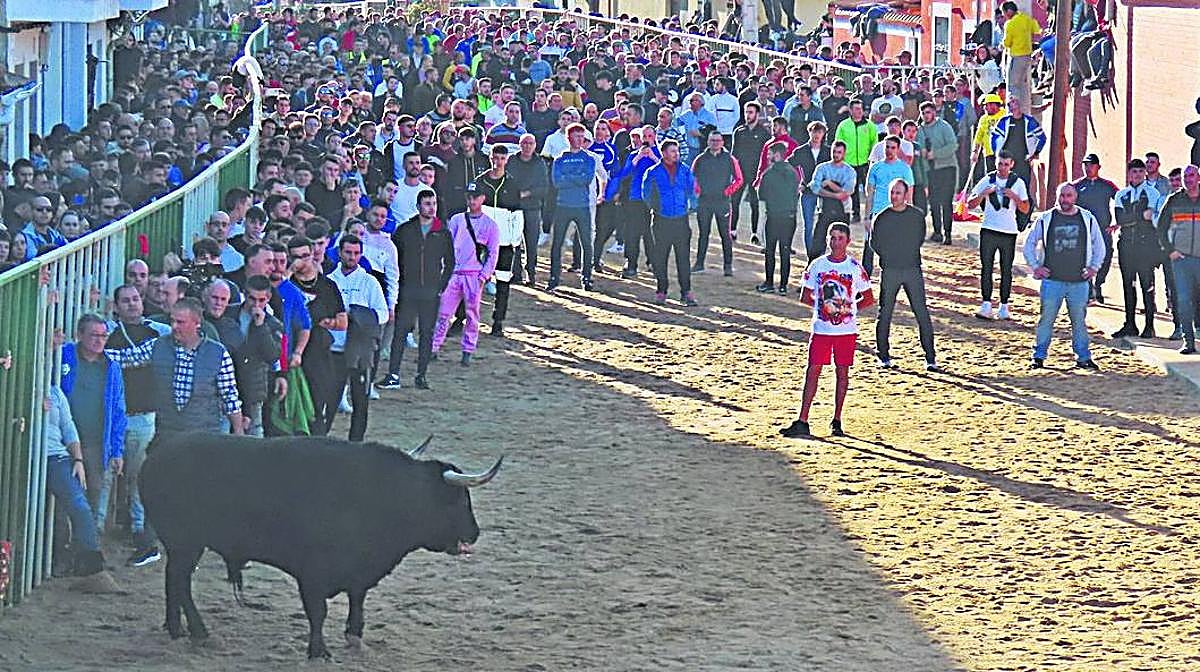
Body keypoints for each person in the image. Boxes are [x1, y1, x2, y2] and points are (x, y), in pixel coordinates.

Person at [780, 223, 874, 439]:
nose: (835, 242)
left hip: (845, 331)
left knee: (841, 373)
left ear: (848, 241)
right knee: (813, 371)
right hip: (822, 329)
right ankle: (803, 419)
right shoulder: (817, 265)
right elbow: (805, 295)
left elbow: (868, 298)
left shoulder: (854, 267)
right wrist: (829, 308)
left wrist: (846, 310)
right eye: (832, 237)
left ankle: (837, 419)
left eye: (840, 238)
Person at [105, 297, 245, 436]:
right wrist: (94, 350)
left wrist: (239, 433)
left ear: (197, 323)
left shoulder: (218, 353)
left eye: (180, 322)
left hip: (204, 435)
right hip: (166, 433)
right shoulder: (158, 345)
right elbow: (127, 357)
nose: (174, 326)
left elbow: (230, 397)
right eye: (172, 321)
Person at [1024, 183, 1106, 370]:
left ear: (1075, 197)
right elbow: (1029, 243)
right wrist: (1036, 267)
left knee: (1079, 321)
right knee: (1046, 319)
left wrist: (1094, 267)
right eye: (1062, 196)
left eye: (1068, 196)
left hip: (1079, 281)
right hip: (1052, 280)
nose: (1065, 200)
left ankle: (1083, 357)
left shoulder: (1087, 218)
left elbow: (1099, 246)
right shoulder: (1046, 218)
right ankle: (1038, 356)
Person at [380, 189, 454, 390]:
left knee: (426, 333)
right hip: (408, 290)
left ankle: (421, 375)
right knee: (401, 333)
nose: (431, 207)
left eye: (434, 203)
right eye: (427, 203)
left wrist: (441, 285)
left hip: (430, 291)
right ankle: (394, 374)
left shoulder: (442, 232)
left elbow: (450, 262)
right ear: (418, 206)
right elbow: (395, 260)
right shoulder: (405, 230)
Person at [60, 315, 126, 531]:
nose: (99, 341)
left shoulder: (111, 367)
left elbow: (118, 411)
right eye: (94, 335)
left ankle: (88, 547)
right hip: (63, 441)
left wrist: (117, 450)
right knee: (62, 499)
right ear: (80, 335)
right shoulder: (63, 356)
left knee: (94, 496)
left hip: (95, 444)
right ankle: (60, 547)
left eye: (103, 336)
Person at [43, 385, 111, 582]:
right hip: (24, 455)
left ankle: (90, 561)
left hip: (55, 457)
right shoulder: (14, 385)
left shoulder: (55, 392)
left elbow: (68, 427)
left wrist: (78, 460)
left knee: (79, 505)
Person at [870, 180, 937, 370]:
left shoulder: (916, 216)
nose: (894, 196)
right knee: (885, 313)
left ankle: (930, 357)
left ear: (906, 194)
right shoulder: (882, 217)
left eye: (898, 193)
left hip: (912, 269)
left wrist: (906, 254)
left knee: (921, 312)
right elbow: (875, 242)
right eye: (892, 192)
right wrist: (888, 256)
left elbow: (919, 238)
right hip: (890, 270)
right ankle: (883, 355)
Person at [328, 234, 388, 441]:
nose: (352, 257)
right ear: (340, 253)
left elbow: (383, 313)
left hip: (360, 349)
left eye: (356, 253)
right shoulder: (329, 280)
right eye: (348, 252)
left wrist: (360, 316)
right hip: (333, 348)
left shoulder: (369, 282)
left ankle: (356, 443)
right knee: (329, 397)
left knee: (360, 400)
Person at [432, 184, 500, 365]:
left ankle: (467, 350)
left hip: (473, 275)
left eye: (475, 197)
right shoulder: (457, 220)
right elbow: (446, 245)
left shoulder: (490, 225)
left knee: (472, 315)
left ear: (482, 198)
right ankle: (434, 347)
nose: (471, 201)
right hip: (454, 273)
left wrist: (484, 276)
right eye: (469, 197)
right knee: (443, 314)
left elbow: (493, 254)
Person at [966, 151, 1031, 320]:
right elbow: (970, 204)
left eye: (1006, 164)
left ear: (1012, 165)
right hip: (988, 228)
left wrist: (1015, 197)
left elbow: (1025, 208)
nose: (1002, 168)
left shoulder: (1018, 183)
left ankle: (1004, 306)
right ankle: (986, 303)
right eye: (1000, 164)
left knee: (1006, 269)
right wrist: (983, 194)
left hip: (1008, 231)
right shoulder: (987, 179)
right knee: (986, 267)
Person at [548, 123, 606, 292]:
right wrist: (576, 176)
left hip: (582, 206)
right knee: (557, 243)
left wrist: (569, 176)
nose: (580, 140)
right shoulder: (560, 159)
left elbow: (587, 179)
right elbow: (557, 182)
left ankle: (587, 277)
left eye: (582, 137)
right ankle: (554, 277)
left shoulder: (589, 158)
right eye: (577, 136)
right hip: (563, 205)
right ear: (569, 138)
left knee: (586, 243)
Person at [1111, 159, 1164, 338]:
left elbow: (1153, 218)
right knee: (1128, 285)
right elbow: (1120, 219)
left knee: (1147, 285)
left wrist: (1133, 218)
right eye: (1134, 172)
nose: (1138, 175)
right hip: (1126, 245)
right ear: (1129, 174)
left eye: (1141, 172)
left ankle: (1149, 325)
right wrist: (1141, 215)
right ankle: (1130, 323)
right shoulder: (1121, 195)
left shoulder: (1152, 192)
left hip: (1145, 245)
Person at [643, 140, 698, 307]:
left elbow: (692, 189)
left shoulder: (685, 170)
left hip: (681, 219)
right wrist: (656, 207)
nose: (676, 154)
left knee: (683, 258)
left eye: (677, 151)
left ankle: (686, 292)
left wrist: (690, 206)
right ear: (664, 153)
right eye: (673, 151)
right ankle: (661, 291)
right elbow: (646, 194)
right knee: (661, 257)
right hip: (661, 220)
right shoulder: (653, 172)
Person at [476, 145, 524, 336]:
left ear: (506, 160)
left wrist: (514, 241)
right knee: (473, 281)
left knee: (503, 282)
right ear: (490, 158)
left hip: (504, 243)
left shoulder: (512, 184)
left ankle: (498, 322)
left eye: (502, 159)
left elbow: (517, 215)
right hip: (481, 242)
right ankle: (465, 318)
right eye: (495, 158)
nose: (498, 162)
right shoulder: (480, 182)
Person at [1157, 164, 1200, 354]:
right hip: (1181, 260)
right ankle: (1188, 342)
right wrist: (1170, 251)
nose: (1188, 179)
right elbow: (1161, 228)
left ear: (1198, 177)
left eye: (1191, 175)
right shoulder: (1174, 200)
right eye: (1185, 176)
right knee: (1183, 301)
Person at [691, 130, 743, 276]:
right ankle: (699, 264)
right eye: (712, 140)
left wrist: (727, 192)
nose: (715, 143)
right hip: (705, 202)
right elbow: (692, 177)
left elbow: (739, 179)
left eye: (717, 140)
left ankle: (728, 266)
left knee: (725, 235)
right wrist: (698, 190)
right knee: (703, 234)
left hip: (722, 202)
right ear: (708, 142)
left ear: (722, 142)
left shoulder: (730, 159)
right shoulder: (700, 159)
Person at [989, 97, 1045, 230]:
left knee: (1023, 190)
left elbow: (1042, 138)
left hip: (1022, 162)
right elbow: (994, 137)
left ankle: (1023, 220)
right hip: (1006, 163)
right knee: (1004, 189)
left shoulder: (1029, 122)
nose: (1012, 106)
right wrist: (997, 154)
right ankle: (1005, 219)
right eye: (1010, 103)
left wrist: (1035, 153)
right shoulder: (1004, 121)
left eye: (1015, 103)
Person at [863, 135, 915, 277]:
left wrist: (909, 217)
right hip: (878, 212)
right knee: (869, 248)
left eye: (893, 147)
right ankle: (864, 280)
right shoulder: (875, 167)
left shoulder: (905, 169)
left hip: (897, 213)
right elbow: (869, 194)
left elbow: (909, 195)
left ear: (898, 149)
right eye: (887, 147)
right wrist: (867, 217)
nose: (889, 150)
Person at [1073, 154, 1120, 303]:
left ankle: (1099, 284)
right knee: (1084, 259)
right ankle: (1089, 287)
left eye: (1091, 165)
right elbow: (1065, 204)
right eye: (1086, 165)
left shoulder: (1107, 185)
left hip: (1103, 229)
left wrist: (1118, 222)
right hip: (1083, 230)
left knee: (1105, 258)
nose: (1088, 168)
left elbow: (1122, 200)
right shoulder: (1077, 186)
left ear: (1098, 167)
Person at [755, 143, 801, 294]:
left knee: (770, 250)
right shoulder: (792, 172)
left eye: (770, 154)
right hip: (789, 216)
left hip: (774, 216)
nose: (768, 157)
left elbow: (762, 195)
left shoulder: (768, 174)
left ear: (776, 155)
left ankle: (769, 283)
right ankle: (783, 285)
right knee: (785, 251)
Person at [509, 134, 549, 286]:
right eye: (524, 143)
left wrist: (526, 193)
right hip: (514, 207)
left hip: (532, 208)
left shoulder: (540, 163)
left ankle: (531, 274)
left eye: (530, 143)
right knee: (514, 243)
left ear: (535, 145)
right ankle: (516, 273)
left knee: (531, 244)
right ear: (520, 144)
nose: (527, 146)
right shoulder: (511, 161)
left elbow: (544, 188)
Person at [916, 102, 959, 243]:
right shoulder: (920, 130)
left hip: (947, 168)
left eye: (928, 112)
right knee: (933, 203)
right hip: (931, 170)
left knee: (946, 202)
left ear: (934, 112)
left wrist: (936, 154)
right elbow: (919, 148)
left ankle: (948, 234)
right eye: (923, 113)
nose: (926, 115)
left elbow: (953, 145)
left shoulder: (944, 126)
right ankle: (937, 232)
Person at [808, 141, 857, 260]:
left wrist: (829, 183)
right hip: (824, 209)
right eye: (834, 151)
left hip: (843, 210)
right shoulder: (822, 168)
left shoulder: (849, 171)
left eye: (839, 152)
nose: (836, 154)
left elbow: (847, 192)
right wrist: (835, 194)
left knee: (840, 243)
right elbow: (814, 187)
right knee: (818, 242)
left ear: (844, 153)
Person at [731, 101, 772, 241]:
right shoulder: (739, 131)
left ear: (757, 114)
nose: (747, 115)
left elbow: (767, 156)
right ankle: (732, 230)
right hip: (740, 173)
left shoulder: (764, 134)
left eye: (750, 112)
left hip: (755, 174)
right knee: (734, 201)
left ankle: (754, 233)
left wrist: (763, 174)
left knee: (755, 203)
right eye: (746, 112)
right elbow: (734, 154)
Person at [788, 121, 830, 254]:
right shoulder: (801, 151)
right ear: (809, 132)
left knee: (823, 224)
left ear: (823, 134)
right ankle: (811, 255)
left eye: (819, 132)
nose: (816, 135)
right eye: (814, 131)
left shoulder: (828, 151)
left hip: (824, 192)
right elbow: (787, 166)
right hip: (807, 190)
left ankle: (821, 253)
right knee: (809, 225)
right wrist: (796, 183)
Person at [833, 99, 876, 222]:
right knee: (853, 190)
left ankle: (871, 212)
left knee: (870, 189)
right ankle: (855, 213)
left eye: (861, 108)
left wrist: (871, 158)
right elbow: (838, 143)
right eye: (856, 109)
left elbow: (874, 142)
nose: (859, 111)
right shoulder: (843, 125)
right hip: (849, 163)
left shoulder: (870, 125)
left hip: (865, 163)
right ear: (850, 110)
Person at [1001, 0, 1039, 112]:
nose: (1004, 16)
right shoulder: (1027, 19)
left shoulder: (1010, 24)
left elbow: (1007, 43)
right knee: (1023, 85)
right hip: (1027, 57)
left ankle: (1013, 111)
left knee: (1012, 86)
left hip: (1016, 57)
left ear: (1008, 11)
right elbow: (1036, 30)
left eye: (1004, 13)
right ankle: (1023, 110)